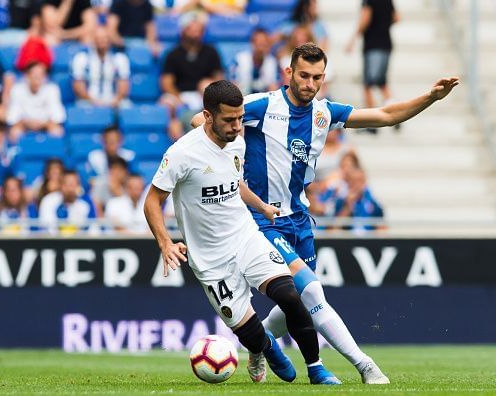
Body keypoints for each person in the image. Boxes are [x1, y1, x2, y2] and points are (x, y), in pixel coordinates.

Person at [191, 43, 459, 384]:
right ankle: (364, 367)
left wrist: (431, 98)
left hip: (300, 222)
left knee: (297, 303)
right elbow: (203, 119)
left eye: (317, 77)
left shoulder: (324, 113)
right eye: (303, 75)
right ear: (289, 73)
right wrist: (221, 148)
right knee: (312, 292)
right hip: (263, 221)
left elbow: (387, 116)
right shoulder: (262, 105)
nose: (310, 83)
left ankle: (259, 346)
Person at [145, 80, 341, 385]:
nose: (237, 126)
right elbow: (152, 201)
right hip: (209, 258)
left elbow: (235, 184)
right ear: (207, 117)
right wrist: (165, 242)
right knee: (249, 332)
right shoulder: (182, 153)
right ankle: (266, 347)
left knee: (290, 294)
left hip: (245, 236)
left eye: (239, 118)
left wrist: (261, 206)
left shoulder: (238, 141)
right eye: (229, 120)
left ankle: (316, 368)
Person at [160, 11, 223, 140]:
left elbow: (218, 78)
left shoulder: (211, 52)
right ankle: (175, 128)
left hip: (204, 95)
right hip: (180, 95)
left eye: (199, 29)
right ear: (183, 30)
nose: (195, 32)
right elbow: (166, 82)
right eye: (191, 28)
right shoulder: (173, 54)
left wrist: (207, 90)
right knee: (166, 101)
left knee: (207, 85)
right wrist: (178, 98)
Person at [345, 0, 399, 133]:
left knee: (367, 84)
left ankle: (371, 124)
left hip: (373, 45)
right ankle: (397, 115)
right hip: (386, 44)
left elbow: (365, 19)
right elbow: (396, 17)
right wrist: (383, 24)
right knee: (381, 82)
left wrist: (352, 40)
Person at [71, 26, 131, 108]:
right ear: (93, 39)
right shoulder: (82, 58)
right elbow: (78, 85)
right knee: (82, 107)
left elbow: (124, 84)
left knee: (126, 106)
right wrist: (93, 101)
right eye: (98, 38)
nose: (102, 41)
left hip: (113, 100)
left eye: (105, 38)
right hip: (88, 100)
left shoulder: (120, 58)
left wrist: (116, 99)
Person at [6, 62, 66, 142]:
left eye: (41, 74)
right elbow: (12, 118)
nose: (37, 77)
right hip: (24, 126)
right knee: (14, 132)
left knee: (57, 132)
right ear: (27, 76)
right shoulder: (17, 89)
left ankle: (53, 154)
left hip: (46, 126)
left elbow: (58, 117)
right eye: (34, 74)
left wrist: (43, 124)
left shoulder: (52, 89)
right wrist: (26, 123)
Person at [334, 152, 384, 232]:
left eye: (361, 181)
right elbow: (334, 228)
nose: (358, 185)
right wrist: (348, 207)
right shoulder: (341, 202)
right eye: (354, 181)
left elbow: (382, 228)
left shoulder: (373, 203)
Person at [39, 170, 96, 234]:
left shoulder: (85, 205)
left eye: (73, 184)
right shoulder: (49, 201)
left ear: (79, 186)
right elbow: (46, 228)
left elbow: (92, 230)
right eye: (67, 184)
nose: (70, 189)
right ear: (60, 185)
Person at [231, 28, 278, 96]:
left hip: (264, 101)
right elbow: (233, 86)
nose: (261, 48)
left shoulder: (272, 62)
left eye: (264, 44)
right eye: (259, 44)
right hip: (241, 99)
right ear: (252, 43)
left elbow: (274, 90)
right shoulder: (239, 59)